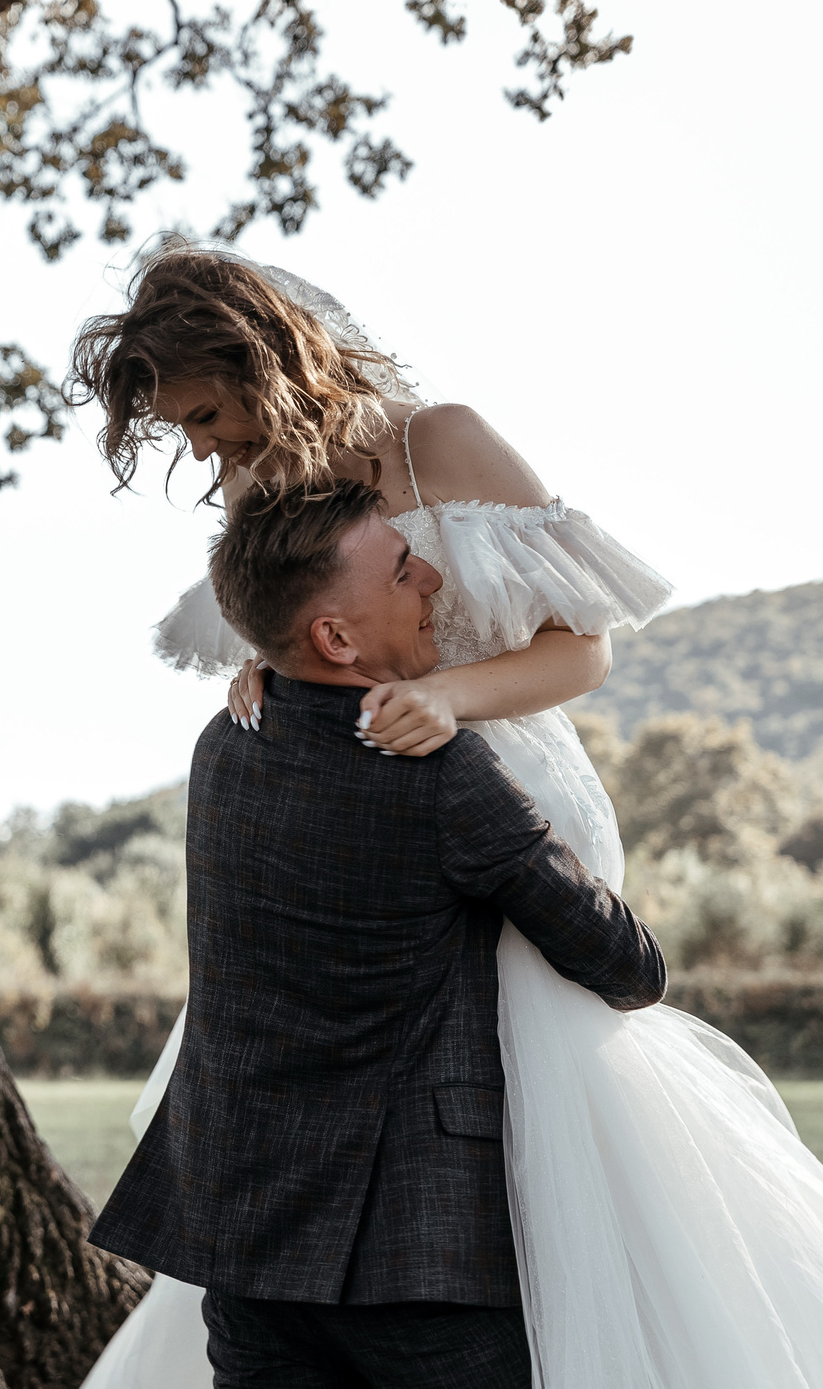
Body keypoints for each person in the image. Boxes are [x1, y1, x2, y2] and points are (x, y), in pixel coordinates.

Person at [68, 239, 823, 1389]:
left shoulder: (440, 442)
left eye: (202, 412)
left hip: (491, 775)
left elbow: (579, 649)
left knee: (547, 1093)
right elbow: (289, 632)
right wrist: (265, 676)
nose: (198, 447)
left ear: (261, 361)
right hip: (352, 815)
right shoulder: (253, 481)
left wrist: (441, 699)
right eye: (176, 428)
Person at [90, 478, 668, 1387]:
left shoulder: (225, 744)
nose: (434, 576)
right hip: (416, 1250)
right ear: (336, 636)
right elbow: (628, 966)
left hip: (248, 1238)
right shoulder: (441, 775)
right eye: (403, 570)